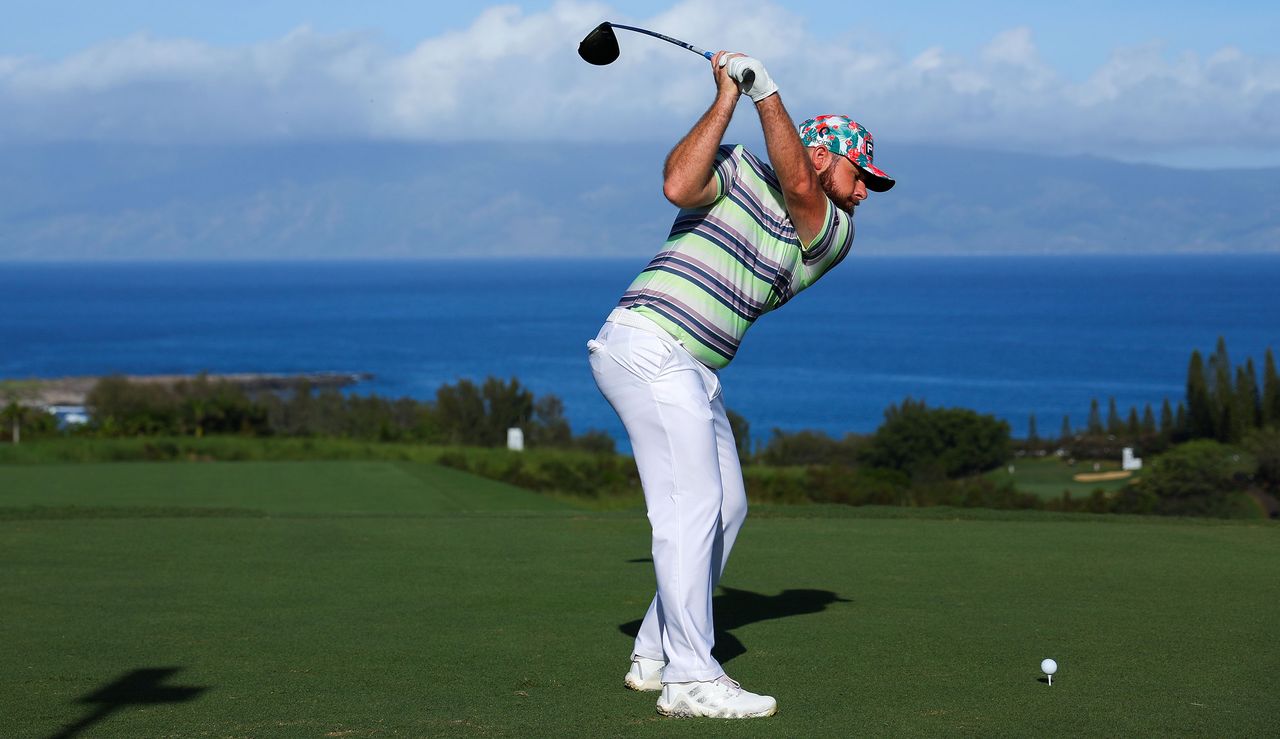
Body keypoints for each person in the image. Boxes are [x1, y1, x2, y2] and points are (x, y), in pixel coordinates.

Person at [586, 50, 895, 719]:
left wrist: (768, 93)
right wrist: (729, 95)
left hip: (692, 367)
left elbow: (805, 193)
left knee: (726, 509)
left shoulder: (833, 233)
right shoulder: (733, 166)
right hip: (648, 341)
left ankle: (653, 651)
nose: (866, 189)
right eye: (860, 171)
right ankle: (692, 675)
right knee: (691, 506)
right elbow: (676, 185)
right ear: (822, 154)